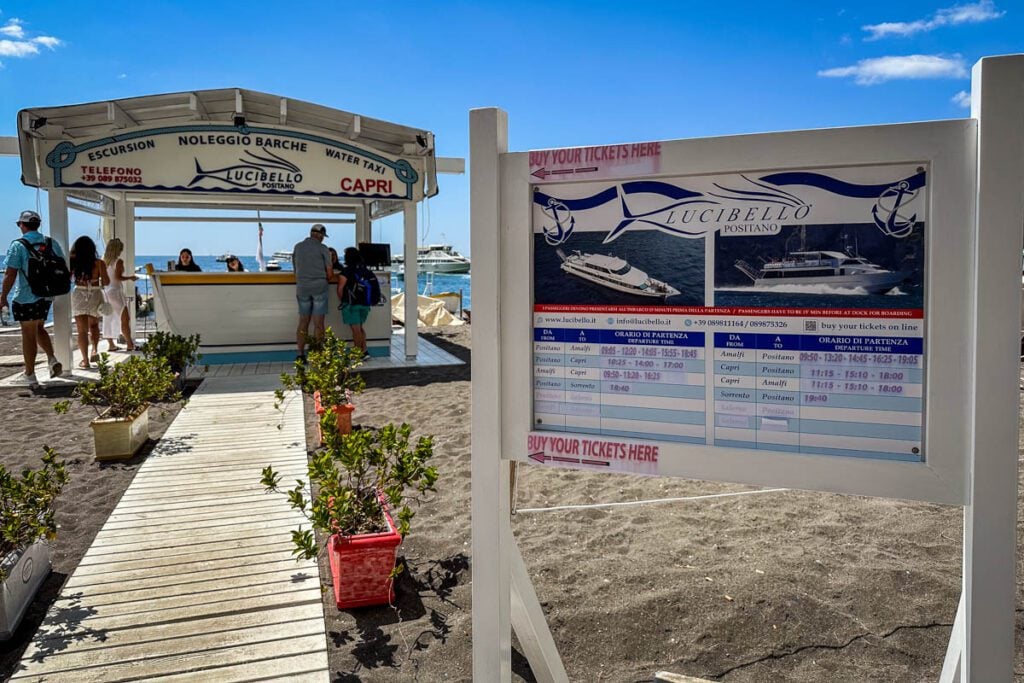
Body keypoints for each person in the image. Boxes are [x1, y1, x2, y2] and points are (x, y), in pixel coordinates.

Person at [0, 210, 66, 386]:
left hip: (26, 296)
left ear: (22, 225)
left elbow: (10, 274)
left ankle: (29, 374)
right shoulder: (51, 242)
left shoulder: (18, 245)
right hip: (46, 295)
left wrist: (3, 296)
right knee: (38, 328)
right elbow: (62, 266)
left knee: (28, 334)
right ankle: (51, 359)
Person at [291, 224, 332, 361]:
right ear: (320, 235)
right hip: (319, 287)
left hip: (302, 287)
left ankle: (300, 354)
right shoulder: (323, 248)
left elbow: (295, 270)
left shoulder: (298, 247)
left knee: (303, 322)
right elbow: (330, 273)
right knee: (318, 323)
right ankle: (317, 355)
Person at [69, 236, 109, 368]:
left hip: (79, 293)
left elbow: (67, 277)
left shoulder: (73, 261)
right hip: (94, 294)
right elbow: (106, 282)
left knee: (82, 331)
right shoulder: (99, 263)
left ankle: (85, 360)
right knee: (94, 326)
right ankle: (94, 350)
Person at [102, 237, 138, 352]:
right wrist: (131, 278)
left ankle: (111, 345)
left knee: (108, 317)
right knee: (125, 318)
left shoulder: (103, 261)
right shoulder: (118, 261)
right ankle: (129, 344)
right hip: (115, 292)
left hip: (106, 291)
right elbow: (118, 277)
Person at [336, 246, 371, 355]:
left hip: (351, 304)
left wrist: (343, 301)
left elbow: (340, 289)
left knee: (356, 330)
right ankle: (364, 351)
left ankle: (357, 353)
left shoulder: (346, 272)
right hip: (364, 303)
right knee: (360, 328)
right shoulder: (365, 270)